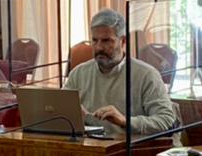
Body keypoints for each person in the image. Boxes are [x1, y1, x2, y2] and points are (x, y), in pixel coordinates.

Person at [64, 8, 177, 136]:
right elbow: (59, 110)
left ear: (123, 41)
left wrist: (125, 121)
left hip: (129, 146)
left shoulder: (146, 75)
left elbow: (166, 120)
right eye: (94, 40)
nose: (99, 47)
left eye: (106, 41)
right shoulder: (78, 74)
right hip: (91, 145)